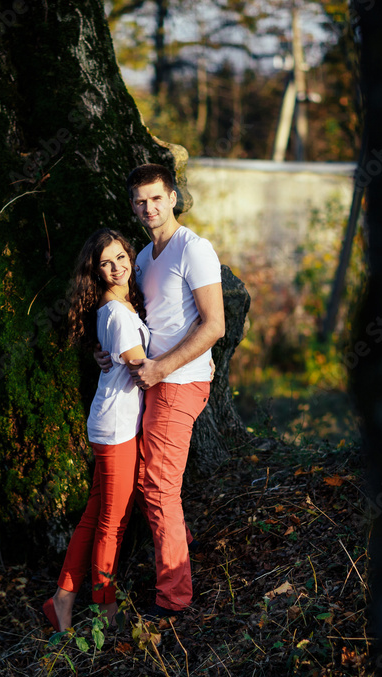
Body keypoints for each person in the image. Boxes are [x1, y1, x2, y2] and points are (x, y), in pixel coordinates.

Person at [99, 163, 225, 618]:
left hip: (181, 382)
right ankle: (180, 548)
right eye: (140, 201)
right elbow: (152, 328)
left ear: (173, 197)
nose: (149, 208)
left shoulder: (195, 249)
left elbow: (215, 325)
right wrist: (119, 353)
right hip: (153, 381)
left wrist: (161, 369)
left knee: (156, 489)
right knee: (150, 483)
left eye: (156, 198)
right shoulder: (147, 257)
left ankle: (174, 600)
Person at [43, 228, 150, 632]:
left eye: (121, 257)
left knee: (93, 516)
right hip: (117, 428)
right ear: (96, 270)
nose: (117, 267)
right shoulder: (118, 314)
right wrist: (196, 356)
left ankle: (62, 599)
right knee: (112, 521)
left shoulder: (119, 307)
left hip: (111, 422)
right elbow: (146, 370)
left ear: (130, 256)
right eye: (106, 263)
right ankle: (104, 610)